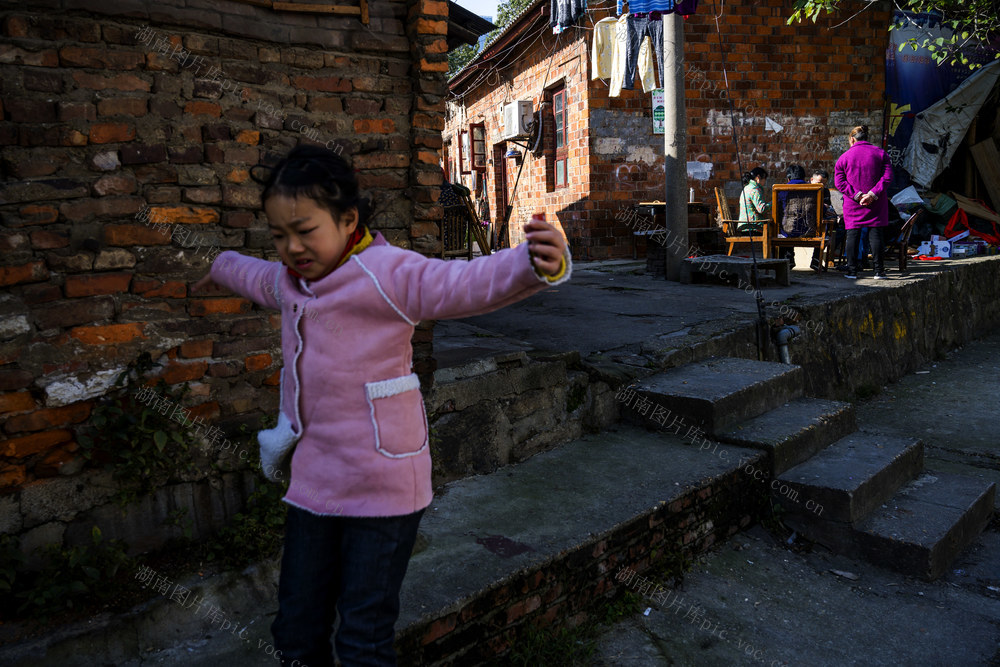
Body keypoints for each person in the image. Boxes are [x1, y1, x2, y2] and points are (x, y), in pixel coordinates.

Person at [191, 144, 571, 667]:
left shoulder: (386, 273)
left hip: (384, 486)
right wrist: (219, 265)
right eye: (279, 235)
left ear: (348, 219)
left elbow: (458, 283)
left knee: (363, 637)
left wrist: (529, 264)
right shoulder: (290, 280)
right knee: (295, 625)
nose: (292, 247)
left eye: (305, 230)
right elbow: (252, 275)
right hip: (315, 483)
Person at [834, 125, 893, 279]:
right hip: (876, 202)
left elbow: (839, 182)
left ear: (852, 139)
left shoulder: (844, 157)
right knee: (876, 235)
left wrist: (858, 196)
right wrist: (872, 194)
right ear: (867, 138)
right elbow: (887, 178)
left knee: (852, 235)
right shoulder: (881, 154)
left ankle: (852, 271)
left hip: (854, 204)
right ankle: (879, 271)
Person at [738, 167, 769, 232]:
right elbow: (761, 209)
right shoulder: (754, 190)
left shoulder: (747, 187)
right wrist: (774, 202)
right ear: (758, 178)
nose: (765, 182)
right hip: (752, 227)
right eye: (764, 179)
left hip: (743, 225)